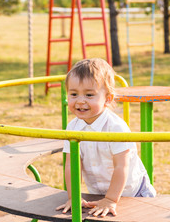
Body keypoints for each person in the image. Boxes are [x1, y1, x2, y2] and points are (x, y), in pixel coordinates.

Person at [56, 58, 156, 217]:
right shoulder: (73, 127)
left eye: (89, 95)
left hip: (134, 193)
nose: (80, 101)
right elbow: (72, 165)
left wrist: (110, 199)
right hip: (98, 194)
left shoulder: (116, 128)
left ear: (108, 98)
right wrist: (73, 197)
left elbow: (121, 166)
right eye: (74, 94)